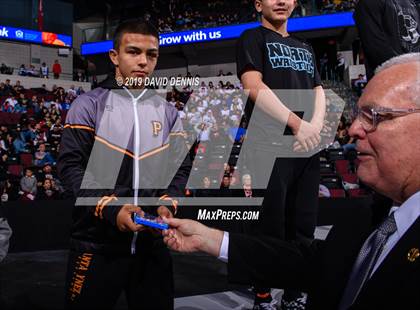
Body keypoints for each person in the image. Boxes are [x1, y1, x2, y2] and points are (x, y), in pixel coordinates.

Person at [163, 53, 420, 309]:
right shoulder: (371, 215)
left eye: (374, 115)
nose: (353, 128)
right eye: (358, 115)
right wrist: (212, 240)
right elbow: (316, 264)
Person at [57, 19, 191, 310]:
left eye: (151, 54)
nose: (143, 61)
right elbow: (69, 168)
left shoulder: (168, 111)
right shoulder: (88, 104)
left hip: (151, 245)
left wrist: (168, 204)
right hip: (95, 243)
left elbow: (180, 168)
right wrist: (111, 209)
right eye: (133, 51)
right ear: (114, 56)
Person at [235, 0, 326, 308]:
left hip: (305, 149)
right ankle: (262, 296)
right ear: (259, 4)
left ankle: (293, 293)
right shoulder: (252, 37)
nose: (282, 1)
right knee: (267, 228)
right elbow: (253, 85)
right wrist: (298, 125)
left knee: (302, 229)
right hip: (266, 149)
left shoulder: (304, 46)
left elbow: (318, 90)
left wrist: (312, 129)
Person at [354, 0, 420, 80]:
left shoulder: (412, 3)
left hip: (414, 74)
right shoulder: (368, 3)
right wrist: (408, 72)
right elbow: (376, 48)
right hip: (392, 79)